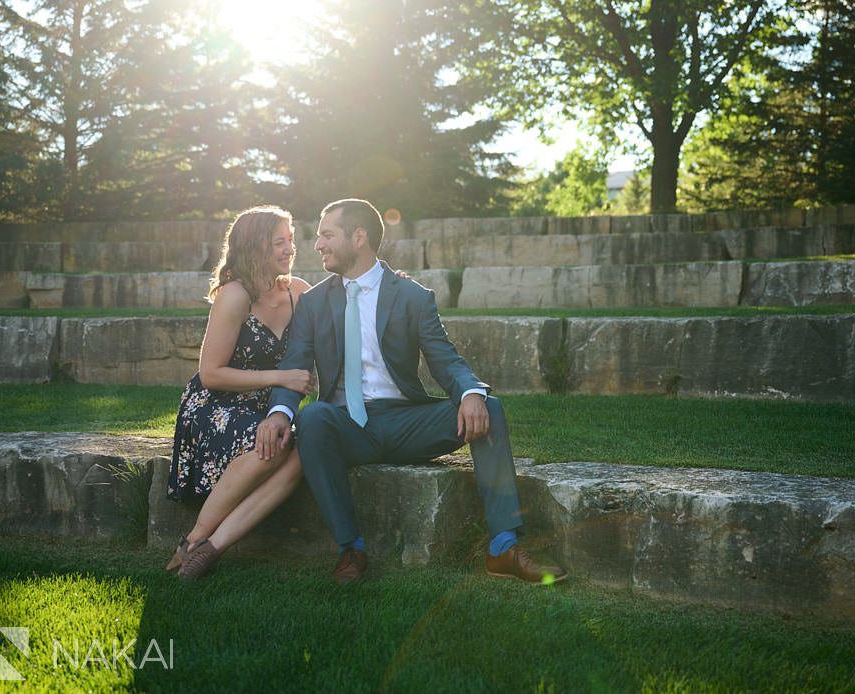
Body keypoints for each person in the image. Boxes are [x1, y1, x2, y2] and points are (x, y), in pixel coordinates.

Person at [256, 198, 567, 585]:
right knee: (314, 416)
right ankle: (350, 548)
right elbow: (295, 364)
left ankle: (503, 546)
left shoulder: (413, 296)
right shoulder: (314, 302)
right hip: (346, 426)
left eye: (326, 235)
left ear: (358, 237)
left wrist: (472, 392)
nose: (317, 244)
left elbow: (445, 360)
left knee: (491, 408)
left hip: (406, 422)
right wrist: (278, 413)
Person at [165, 205, 313, 579]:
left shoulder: (300, 293)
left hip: (268, 406)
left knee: (301, 452)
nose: (290, 249)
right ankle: (194, 539)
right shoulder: (235, 295)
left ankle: (211, 549)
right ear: (255, 247)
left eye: (291, 240)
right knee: (275, 445)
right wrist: (279, 379)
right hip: (215, 405)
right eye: (279, 242)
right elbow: (211, 374)